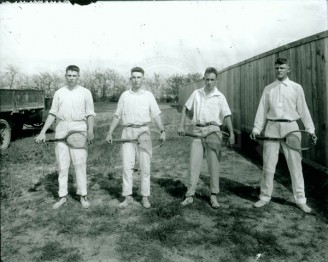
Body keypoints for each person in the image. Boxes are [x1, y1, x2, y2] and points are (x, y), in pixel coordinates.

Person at [250, 57, 317, 213]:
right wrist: (256, 129)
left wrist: (311, 130)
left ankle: (300, 199)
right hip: (272, 126)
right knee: (268, 165)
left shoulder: (296, 88)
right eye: (277, 68)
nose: (279, 70)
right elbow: (262, 110)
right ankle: (265, 196)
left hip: (291, 128)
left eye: (282, 68)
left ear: (289, 70)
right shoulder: (268, 89)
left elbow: (303, 110)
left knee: (295, 165)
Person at [35, 65, 95, 209]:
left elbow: (90, 114)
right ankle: (62, 196)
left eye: (74, 75)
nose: (71, 78)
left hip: (79, 128)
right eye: (69, 75)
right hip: (61, 128)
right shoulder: (59, 93)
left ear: (78, 76)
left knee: (79, 163)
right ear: (65, 76)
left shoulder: (86, 92)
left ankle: (83, 195)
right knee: (62, 164)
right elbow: (53, 113)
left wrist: (90, 131)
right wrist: (43, 132)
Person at [105, 67, 166, 209]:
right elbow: (117, 115)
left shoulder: (148, 95)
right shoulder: (125, 95)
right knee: (127, 166)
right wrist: (109, 132)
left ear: (143, 79)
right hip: (127, 132)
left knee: (145, 166)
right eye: (134, 77)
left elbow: (156, 114)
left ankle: (145, 197)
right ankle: (128, 196)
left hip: (144, 132)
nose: (136, 80)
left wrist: (162, 130)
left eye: (139, 77)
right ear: (130, 79)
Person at [178, 67, 235, 208]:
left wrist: (232, 134)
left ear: (216, 80)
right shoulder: (196, 93)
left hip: (214, 130)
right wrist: (181, 125)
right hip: (198, 129)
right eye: (207, 79)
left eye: (212, 79)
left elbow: (227, 116)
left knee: (214, 165)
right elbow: (186, 107)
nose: (209, 82)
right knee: (194, 163)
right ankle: (190, 195)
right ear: (204, 79)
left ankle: (214, 196)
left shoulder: (220, 97)